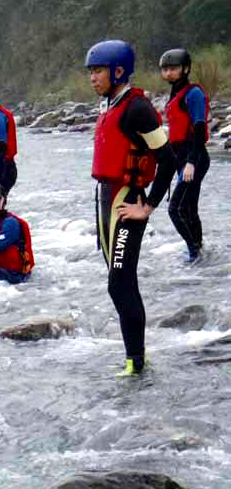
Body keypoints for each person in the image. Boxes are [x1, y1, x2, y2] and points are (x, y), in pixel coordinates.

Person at [85, 39, 179, 376]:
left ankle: (135, 364)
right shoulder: (110, 104)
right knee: (119, 281)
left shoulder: (138, 109)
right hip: (108, 199)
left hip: (128, 201)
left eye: (98, 71)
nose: (92, 77)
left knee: (120, 283)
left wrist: (149, 206)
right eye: (91, 71)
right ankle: (135, 359)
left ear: (118, 71)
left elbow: (169, 159)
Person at [160, 48, 210, 263]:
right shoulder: (175, 95)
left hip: (195, 158)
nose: (169, 73)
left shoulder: (193, 94)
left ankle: (193, 253)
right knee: (189, 208)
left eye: (173, 69)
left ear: (185, 69)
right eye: (165, 69)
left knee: (176, 209)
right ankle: (199, 248)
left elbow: (199, 128)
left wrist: (190, 163)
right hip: (182, 159)